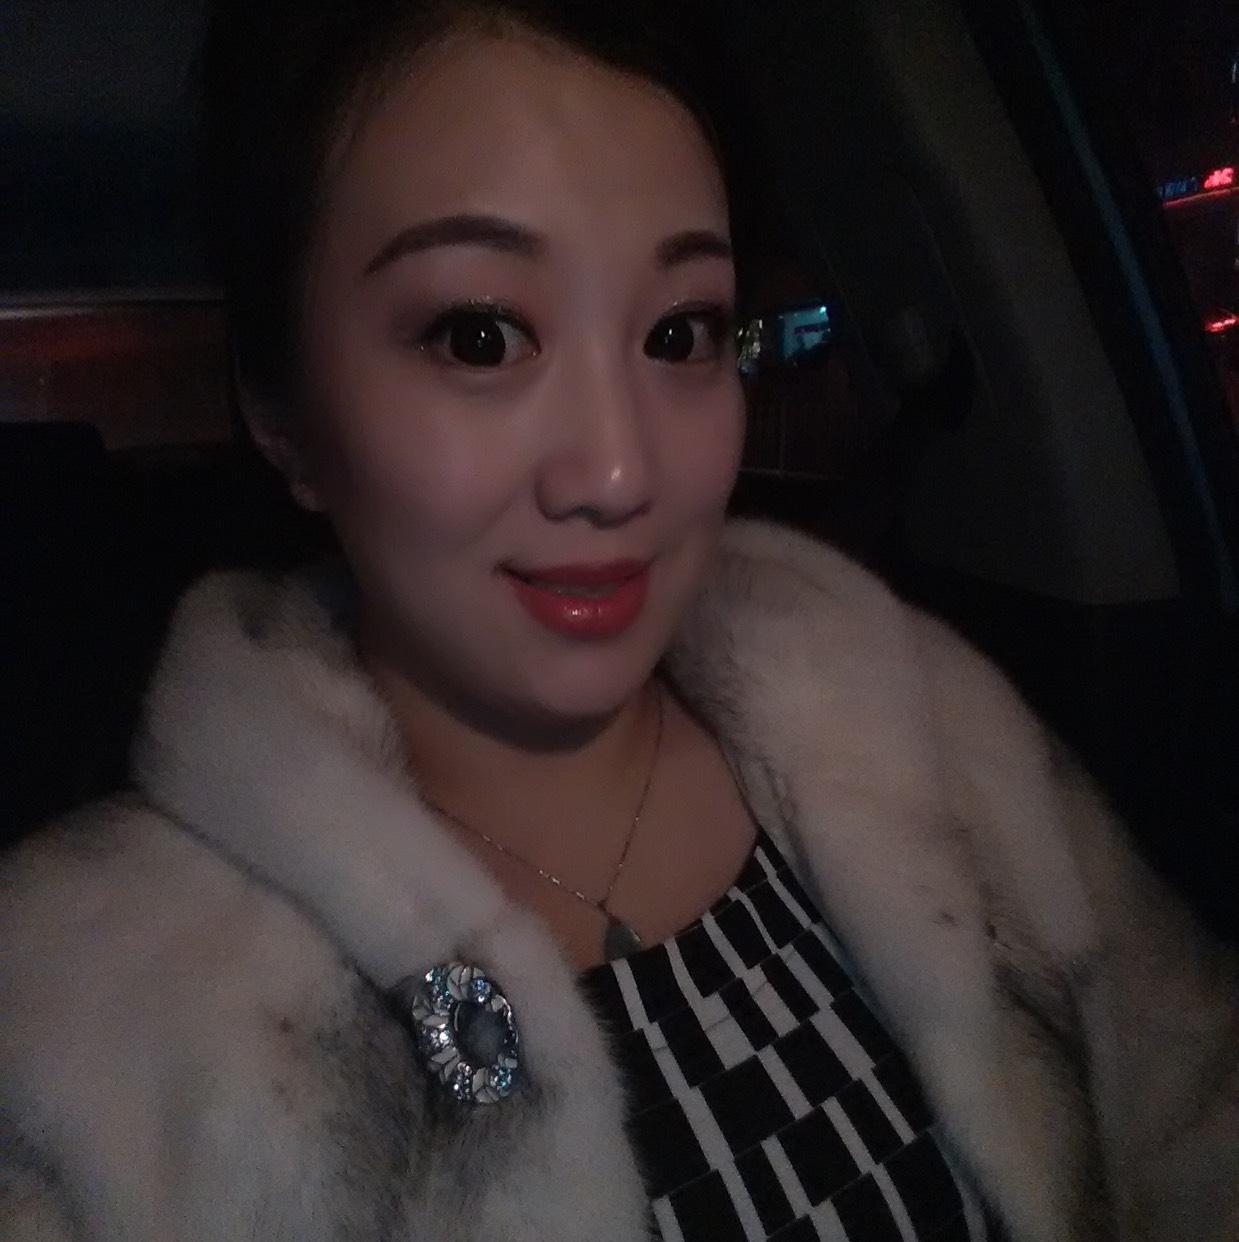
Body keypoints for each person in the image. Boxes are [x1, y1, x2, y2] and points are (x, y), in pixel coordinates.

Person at [2, 3, 1237, 1239]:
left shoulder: (922, 726)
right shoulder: (73, 1020)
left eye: (679, 334)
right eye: (481, 336)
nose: (617, 473)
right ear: (283, 416)